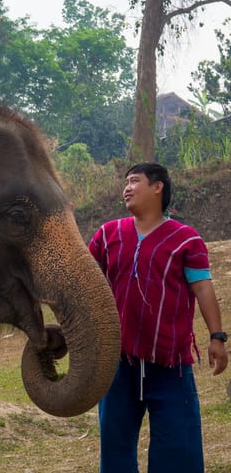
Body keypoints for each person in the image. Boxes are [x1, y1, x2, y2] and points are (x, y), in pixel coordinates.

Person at [89, 162, 228, 473]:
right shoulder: (108, 234)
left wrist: (217, 337)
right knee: (115, 448)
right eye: (125, 182)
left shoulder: (186, 239)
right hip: (118, 364)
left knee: (178, 449)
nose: (126, 187)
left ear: (157, 186)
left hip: (170, 365)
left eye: (134, 181)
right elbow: (85, 280)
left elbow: (202, 287)